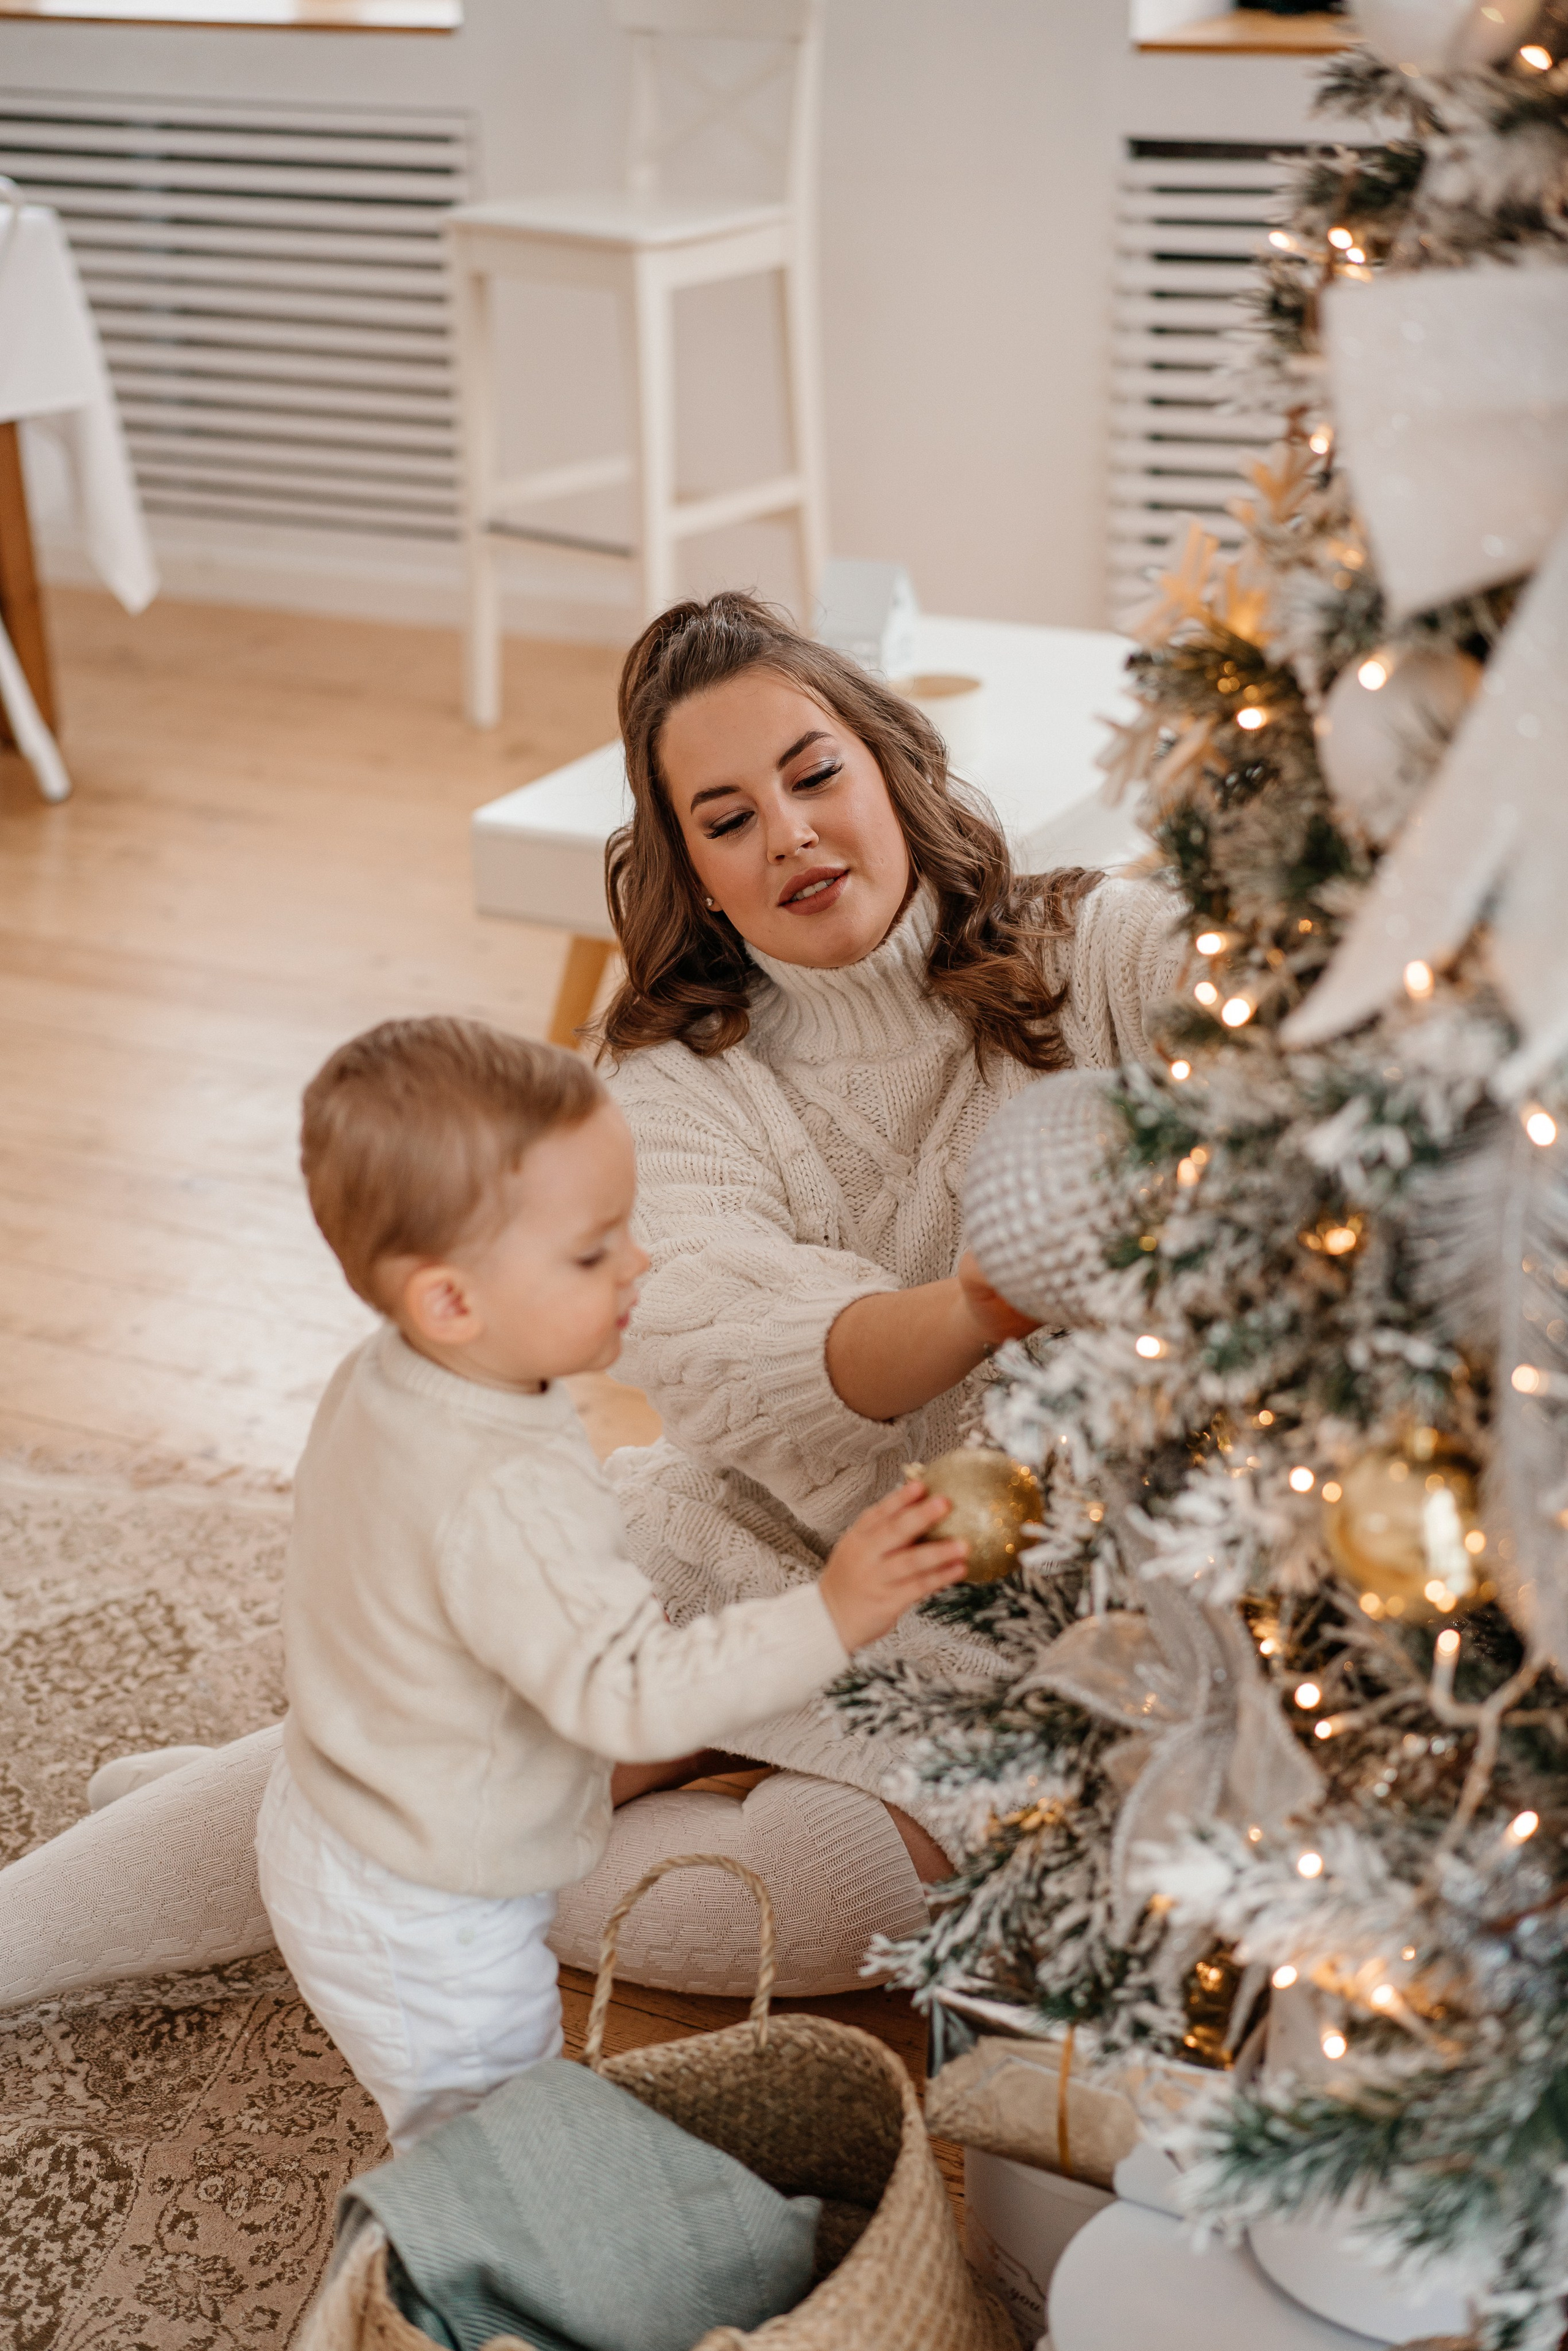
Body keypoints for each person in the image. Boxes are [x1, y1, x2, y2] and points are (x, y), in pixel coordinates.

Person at [0, 592, 1185, 2015]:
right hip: (774, 1549)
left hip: (1074, 1616)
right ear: (691, 865)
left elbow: (1276, 989)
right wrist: (978, 1304)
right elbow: (760, 1362)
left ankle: (281, 1794)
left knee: (806, 1885)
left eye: (814, 774)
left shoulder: (1090, 945)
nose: (793, 833)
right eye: (728, 814)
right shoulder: (666, 1090)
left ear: (888, 767)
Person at [255, 1014, 967, 2151]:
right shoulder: (506, 1493)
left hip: (337, 1803)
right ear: (452, 1300)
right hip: (430, 1908)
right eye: (593, 1251)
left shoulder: (390, 1371)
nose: (640, 1261)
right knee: (500, 2165)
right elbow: (632, 1699)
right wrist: (833, 1611)